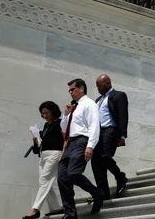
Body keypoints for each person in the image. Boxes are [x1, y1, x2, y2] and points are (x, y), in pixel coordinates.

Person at [58, 79, 104, 218]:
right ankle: (70, 213)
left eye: (72, 89)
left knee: (73, 173)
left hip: (82, 141)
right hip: (70, 143)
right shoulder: (74, 107)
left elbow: (94, 126)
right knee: (62, 177)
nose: (70, 92)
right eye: (70, 90)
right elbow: (64, 129)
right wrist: (66, 114)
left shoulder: (90, 104)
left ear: (81, 88)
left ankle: (97, 194)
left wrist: (90, 146)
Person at [23, 101, 65, 219]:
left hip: (54, 154)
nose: (45, 116)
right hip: (43, 155)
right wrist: (36, 141)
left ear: (53, 112)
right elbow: (40, 146)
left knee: (45, 180)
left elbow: (65, 139)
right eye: (43, 114)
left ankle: (35, 209)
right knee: (44, 182)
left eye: (47, 113)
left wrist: (63, 153)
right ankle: (56, 207)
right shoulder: (46, 126)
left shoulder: (60, 123)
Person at [91, 74, 129, 201]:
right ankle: (103, 193)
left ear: (107, 83)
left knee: (105, 156)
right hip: (98, 134)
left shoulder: (118, 96)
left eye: (99, 85)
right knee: (96, 162)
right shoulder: (98, 100)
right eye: (97, 86)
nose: (98, 88)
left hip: (110, 131)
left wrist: (122, 135)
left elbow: (123, 115)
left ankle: (120, 176)